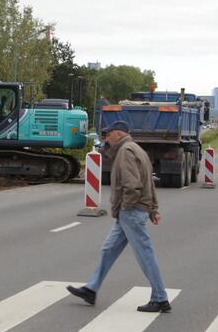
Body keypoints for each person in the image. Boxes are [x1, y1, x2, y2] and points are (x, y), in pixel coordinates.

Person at [67, 120, 171, 313]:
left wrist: (127, 208)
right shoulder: (136, 149)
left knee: (145, 255)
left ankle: (160, 297)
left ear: (119, 134)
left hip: (130, 212)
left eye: (108, 134)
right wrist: (153, 209)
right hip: (131, 211)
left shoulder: (125, 152)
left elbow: (133, 185)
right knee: (108, 249)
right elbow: (149, 182)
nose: (106, 138)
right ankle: (91, 288)